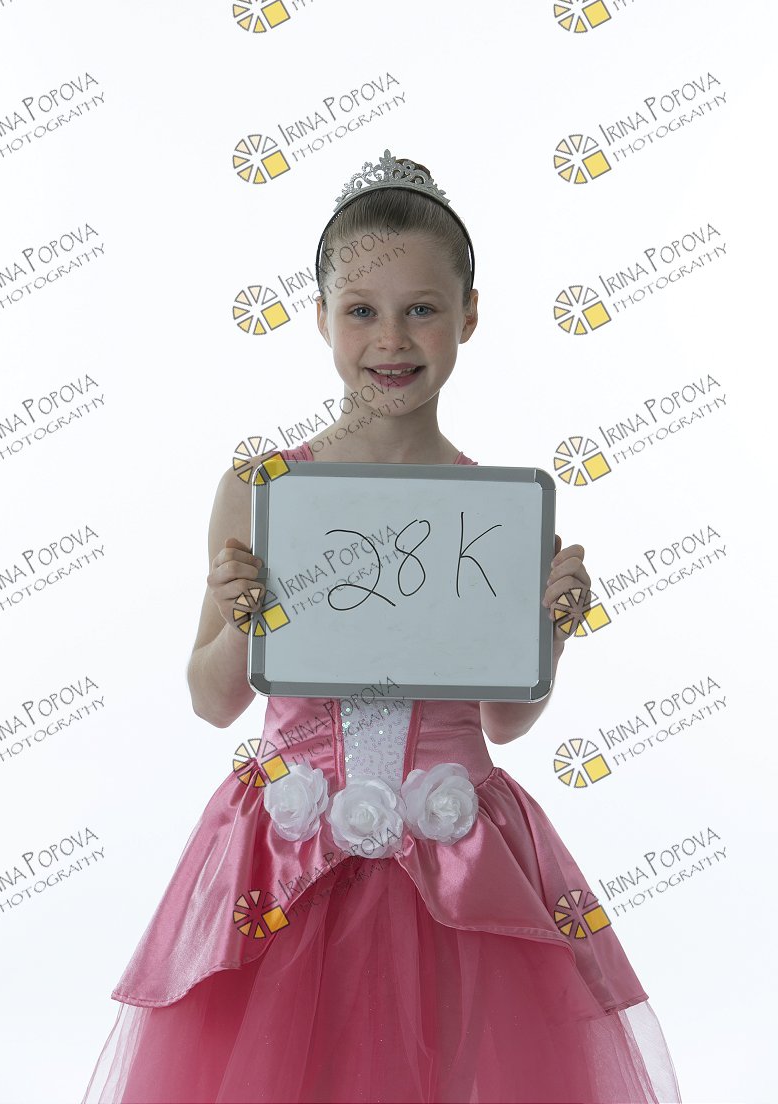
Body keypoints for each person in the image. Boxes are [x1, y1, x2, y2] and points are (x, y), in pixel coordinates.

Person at [80, 151, 682, 1103]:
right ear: (320, 316)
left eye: (422, 308)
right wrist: (243, 614)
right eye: (360, 310)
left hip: (451, 857)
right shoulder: (263, 489)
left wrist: (549, 632)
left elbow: (503, 720)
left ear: (469, 315)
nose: (390, 338)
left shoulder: (496, 509)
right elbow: (211, 699)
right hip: (286, 855)